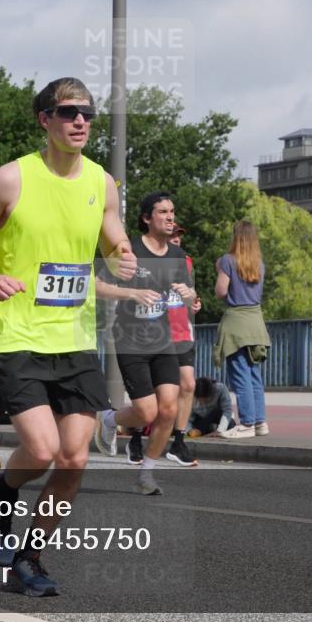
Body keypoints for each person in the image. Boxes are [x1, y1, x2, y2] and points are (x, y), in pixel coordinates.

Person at [0, 76, 135, 596]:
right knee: (40, 449)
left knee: (74, 458)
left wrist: (122, 254)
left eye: (87, 113)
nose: (80, 121)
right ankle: (3, 488)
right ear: (45, 119)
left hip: (74, 337)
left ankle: (29, 557)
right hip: (18, 334)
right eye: (68, 112)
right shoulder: (12, 178)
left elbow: (113, 237)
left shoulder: (102, 182)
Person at [94, 192, 197, 493]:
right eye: (162, 212)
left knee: (168, 409)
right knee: (147, 412)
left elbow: (189, 296)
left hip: (163, 341)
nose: (170, 217)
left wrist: (188, 294)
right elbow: (97, 285)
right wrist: (131, 293)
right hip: (130, 341)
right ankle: (110, 419)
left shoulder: (177, 256)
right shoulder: (130, 251)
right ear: (146, 218)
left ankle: (146, 473)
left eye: (172, 211)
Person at [213, 221, 270, 439]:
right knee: (254, 375)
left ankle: (246, 424)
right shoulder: (259, 264)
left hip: (236, 323)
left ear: (236, 237)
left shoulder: (228, 260)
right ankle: (260, 422)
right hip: (256, 322)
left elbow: (220, 291)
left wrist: (219, 269)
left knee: (240, 375)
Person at [167, 225, 202, 465]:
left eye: (179, 235)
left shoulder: (186, 262)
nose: (177, 239)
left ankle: (178, 443)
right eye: (172, 235)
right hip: (154, 333)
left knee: (188, 384)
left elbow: (191, 292)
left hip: (182, 332)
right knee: (156, 397)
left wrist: (194, 302)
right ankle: (136, 437)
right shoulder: (147, 260)